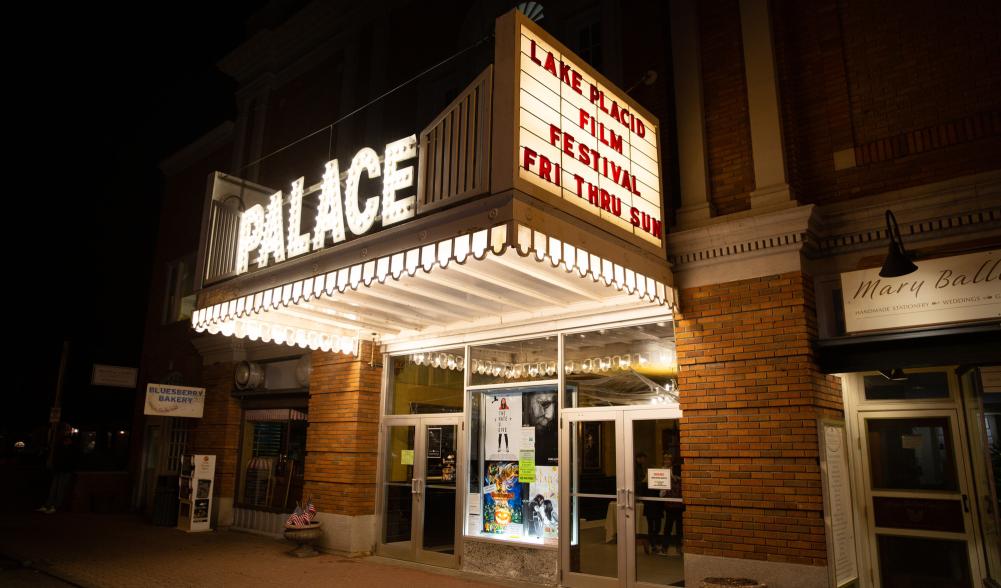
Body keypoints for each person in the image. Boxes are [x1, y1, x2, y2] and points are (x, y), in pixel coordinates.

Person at [37, 433, 78, 514]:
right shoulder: (65, 449)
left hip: (64, 470)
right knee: (55, 488)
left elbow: (69, 461)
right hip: (61, 470)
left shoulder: (69, 449)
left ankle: (54, 506)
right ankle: (49, 505)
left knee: (59, 489)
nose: (66, 442)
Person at [635, 452, 665, 554]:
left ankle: (649, 542)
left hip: (657, 507)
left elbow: (662, 494)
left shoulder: (658, 483)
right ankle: (653, 545)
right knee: (651, 527)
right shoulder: (645, 484)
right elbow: (642, 493)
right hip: (650, 507)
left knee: (657, 527)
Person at [661, 452, 684, 556]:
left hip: (677, 504)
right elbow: (662, 492)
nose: (667, 462)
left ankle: (678, 548)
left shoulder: (679, 475)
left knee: (678, 527)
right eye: (665, 460)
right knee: (668, 527)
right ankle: (665, 548)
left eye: (669, 460)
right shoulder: (664, 474)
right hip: (670, 504)